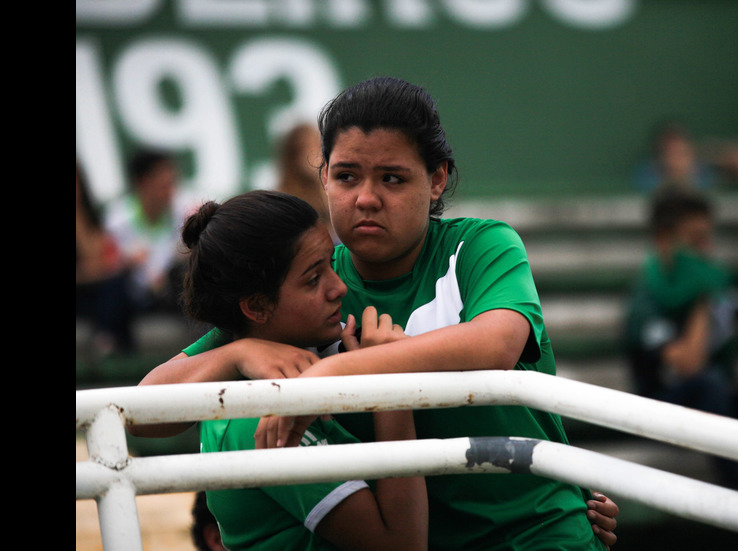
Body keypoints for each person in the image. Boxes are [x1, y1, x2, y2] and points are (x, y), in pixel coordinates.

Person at [136, 77, 618, 550]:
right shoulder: (307, 291)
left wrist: (330, 374)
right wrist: (237, 352)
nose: (366, 198)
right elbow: (142, 413)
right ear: (322, 176)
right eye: (346, 176)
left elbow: (496, 344)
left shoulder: (480, 246)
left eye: (392, 178)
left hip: (539, 536)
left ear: (436, 179)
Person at [152, 189, 428, 550]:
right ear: (256, 307)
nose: (339, 286)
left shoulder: (258, 344)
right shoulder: (253, 420)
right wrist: (391, 390)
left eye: (332, 263)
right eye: (314, 279)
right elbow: (402, 545)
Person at [622, 188, 738, 488]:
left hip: (720, 406)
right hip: (661, 414)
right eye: (695, 240)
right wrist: (703, 300)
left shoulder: (718, 287)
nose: (706, 249)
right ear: (664, 240)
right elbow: (689, 365)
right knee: (711, 383)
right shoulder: (646, 299)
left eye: (708, 239)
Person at [103, 147, 197, 314]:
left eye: (172, 183)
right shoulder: (117, 220)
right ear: (143, 182)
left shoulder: (184, 210)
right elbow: (109, 266)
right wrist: (127, 263)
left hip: (174, 289)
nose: (171, 191)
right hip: (136, 298)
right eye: (164, 185)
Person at [76, 160, 136, 357]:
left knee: (119, 286)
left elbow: (98, 257)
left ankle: (111, 343)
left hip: (94, 289)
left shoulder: (91, 218)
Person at [631, 121, 716, 194]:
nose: (676, 160)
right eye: (671, 154)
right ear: (660, 156)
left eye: (681, 153)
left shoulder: (706, 175)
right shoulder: (646, 175)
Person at [276, 122, 332, 225]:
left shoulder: (332, 188)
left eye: (317, 146)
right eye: (305, 148)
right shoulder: (283, 201)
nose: (313, 154)